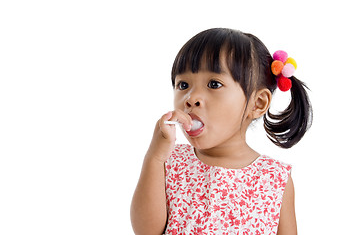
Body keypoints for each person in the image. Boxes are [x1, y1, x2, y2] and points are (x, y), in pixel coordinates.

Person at [130, 28, 312, 235]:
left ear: (257, 103)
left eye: (214, 84)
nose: (191, 98)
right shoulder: (169, 161)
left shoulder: (274, 177)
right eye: (183, 84)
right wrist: (155, 157)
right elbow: (146, 231)